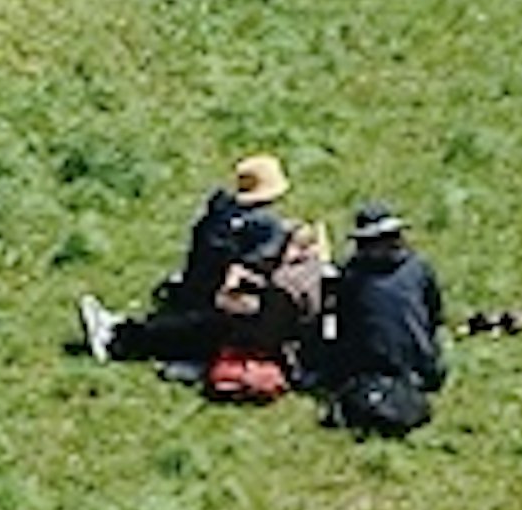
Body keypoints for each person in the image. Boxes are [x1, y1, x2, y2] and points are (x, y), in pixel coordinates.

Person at [80, 154, 322, 371]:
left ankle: (120, 330)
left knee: (178, 326)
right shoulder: (265, 228)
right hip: (224, 309)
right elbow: (260, 267)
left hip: (195, 289)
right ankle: (116, 337)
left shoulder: (220, 213)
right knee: (177, 335)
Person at [314, 202, 449, 437]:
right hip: (422, 368)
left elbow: (341, 326)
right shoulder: (419, 267)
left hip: (367, 369)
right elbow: (435, 316)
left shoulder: (352, 277)